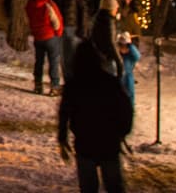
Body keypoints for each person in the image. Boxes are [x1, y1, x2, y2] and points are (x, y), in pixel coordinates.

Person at [57, 43, 133, 193]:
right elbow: (126, 109)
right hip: (109, 141)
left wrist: (62, 138)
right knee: (114, 186)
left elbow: (64, 113)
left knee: (88, 187)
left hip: (85, 141)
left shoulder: (73, 85)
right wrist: (122, 132)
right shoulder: (110, 82)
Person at [26, 0, 65, 95]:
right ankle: (54, 87)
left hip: (38, 37)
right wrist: (58, 33)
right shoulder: (48, 4)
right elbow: (56, 21)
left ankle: (38, 85)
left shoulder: (30, 5)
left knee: (39, 62)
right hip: (50, 36)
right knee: (53, 62)